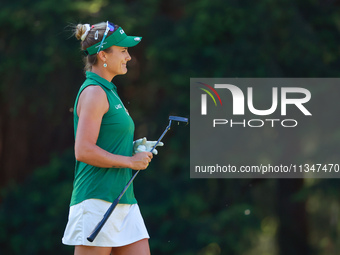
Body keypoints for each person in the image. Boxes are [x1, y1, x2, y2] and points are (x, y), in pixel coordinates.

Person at [62, 21, 162, 255]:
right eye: (123, 50)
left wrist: (132, 148)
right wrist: (130, 161)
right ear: (103, 54)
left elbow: (103, 141)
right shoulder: (94, 92)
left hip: (124, 199)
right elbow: (84, 150)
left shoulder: (108, 91)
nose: (128, 57)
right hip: (97, 199)